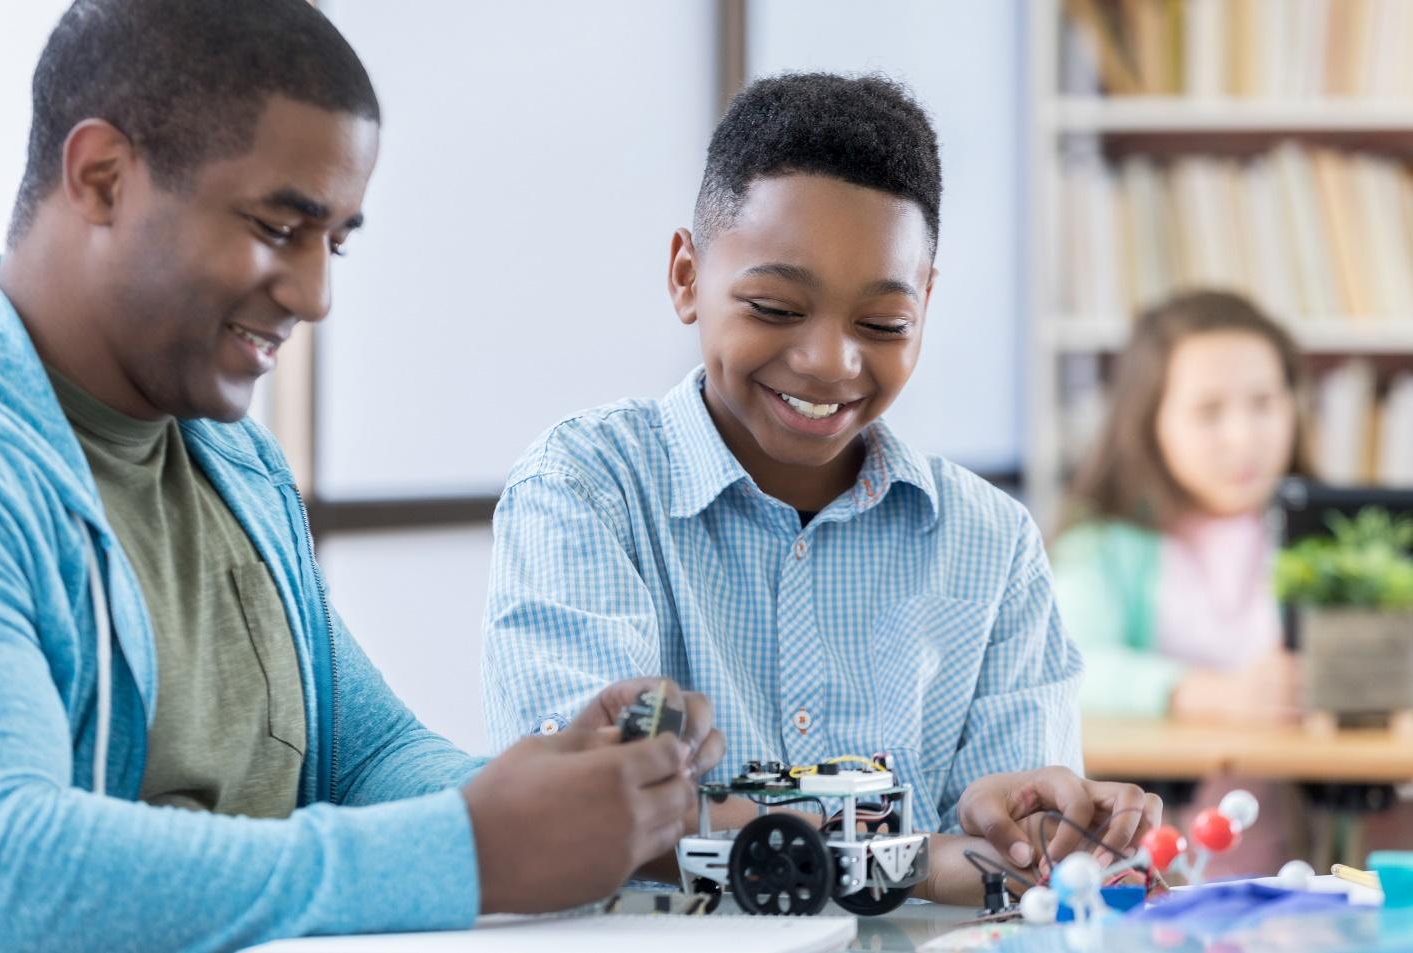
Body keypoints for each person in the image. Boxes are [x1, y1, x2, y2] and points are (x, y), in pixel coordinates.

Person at [0, 2, 721, 949]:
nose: (315, 296)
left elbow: (364, 752)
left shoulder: (233, 460)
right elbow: (8, 862)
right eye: (277, 226)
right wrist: (469, 850)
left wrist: (553, 791)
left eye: (333, 243)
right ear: (102, 177)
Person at [482, 72, 1161, 904]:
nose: (830, 362)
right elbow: (587, 817)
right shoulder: (587, 491)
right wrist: (909, 857)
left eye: (883, 325)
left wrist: (1024, 831)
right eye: (774, 305)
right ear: (687, 276)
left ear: (926, 306)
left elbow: (1009, 872)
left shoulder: (993, 543)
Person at [1050, 290, 1309, 875]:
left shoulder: (1330, 541)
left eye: (1265, 402)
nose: (1244, 437)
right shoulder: (1105, 545)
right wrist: (1207, 693)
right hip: (1150, 877)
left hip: (1300, 867)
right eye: (1209, 410)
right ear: (1149, 421)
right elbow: (1066, 666)